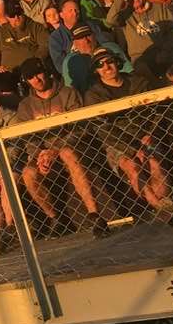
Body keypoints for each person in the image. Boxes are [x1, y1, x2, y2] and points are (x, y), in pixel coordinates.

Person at [15, 58, 109, 239]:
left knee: (67, 153)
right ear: (26, 81)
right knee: (28, 172)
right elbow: (28, 138)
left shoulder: (67, 93)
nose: (36, 79)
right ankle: (57, 219)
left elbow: (80, 128)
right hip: (45, 155)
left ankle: (94, 215)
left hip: (75, 148)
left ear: (46, 72)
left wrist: (55, 149)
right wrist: (39, 156)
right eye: (30, 77)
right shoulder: (25, 106)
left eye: (38, 73)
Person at [84, 49, 171, 212]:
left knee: (155, 164)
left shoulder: (139, 83)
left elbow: (156, 111)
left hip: (146, 135)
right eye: (99, 64)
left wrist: (149, 134)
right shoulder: (93, 95)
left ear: (117, 62)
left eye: (109, 61)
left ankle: (160, 204)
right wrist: (132, 148)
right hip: (117, 143)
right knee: (132, 167)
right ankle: (162, 208)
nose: (106, 66)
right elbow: (104, 131)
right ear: (95, 70)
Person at [61, 24, 131, 94]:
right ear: (74, 42)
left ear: (94, 36)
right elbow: (71, 90)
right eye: (80, 38)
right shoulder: (71, 61)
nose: (86, 41)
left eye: (88, 35)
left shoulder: (111, 49)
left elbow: (130, 73)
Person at [0, 1, 50, 76]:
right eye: (12, 15)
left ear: (23, 12)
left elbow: (45, 46)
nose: (16, 18)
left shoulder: (35, 27)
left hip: (33, 70)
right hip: (8, 73)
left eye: (19, 14)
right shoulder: (0, 33)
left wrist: (35, 62)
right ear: (7, 17)